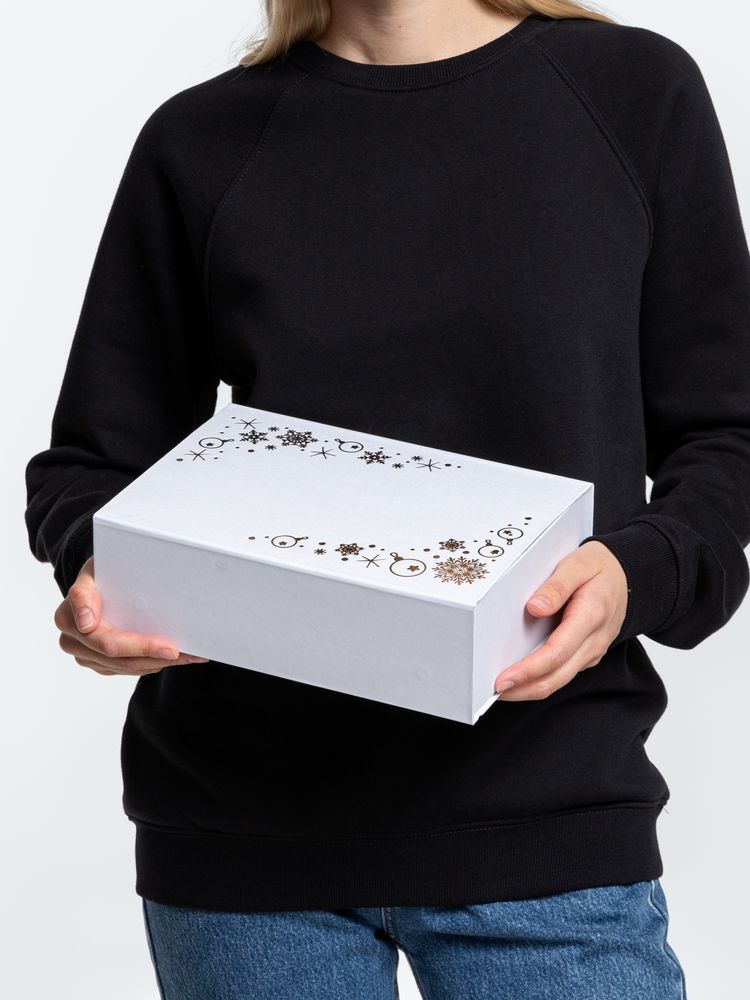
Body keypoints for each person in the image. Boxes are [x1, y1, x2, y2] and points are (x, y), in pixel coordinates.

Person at [24, 0, 750, 995]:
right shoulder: (200, 139)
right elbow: (91, 465)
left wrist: (635, 572)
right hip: (243, 843)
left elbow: (725, 435)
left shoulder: (631, 94)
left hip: (548, 820)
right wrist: (101, 576)